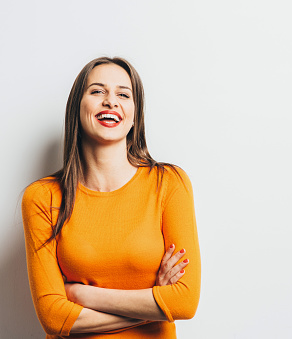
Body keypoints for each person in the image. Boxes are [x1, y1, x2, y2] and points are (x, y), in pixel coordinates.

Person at [21, 57, 201, 338]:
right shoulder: (42, 197)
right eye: (97, 91)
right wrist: (154, 302)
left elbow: (185, 302)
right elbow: (54, 318)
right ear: (77, 109)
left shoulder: (169, 183)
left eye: (123, 94)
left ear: (134, 114)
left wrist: (81, 295)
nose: (110, 101)